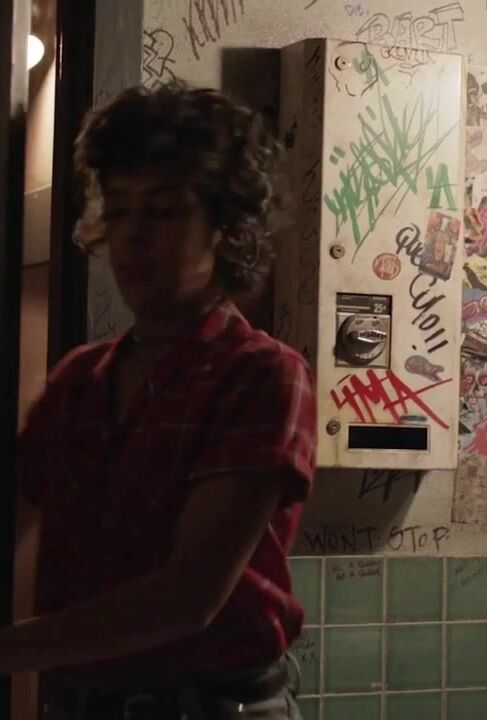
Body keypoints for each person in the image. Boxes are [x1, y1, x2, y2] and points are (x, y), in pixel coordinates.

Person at [8, 82, 317, 719]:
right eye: (120, 211)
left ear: (224, 228)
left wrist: (11, 649)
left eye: (164, 212)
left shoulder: (259, 375)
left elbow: (188, 596)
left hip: (214, 706)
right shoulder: (78, 381)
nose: (133, 237)